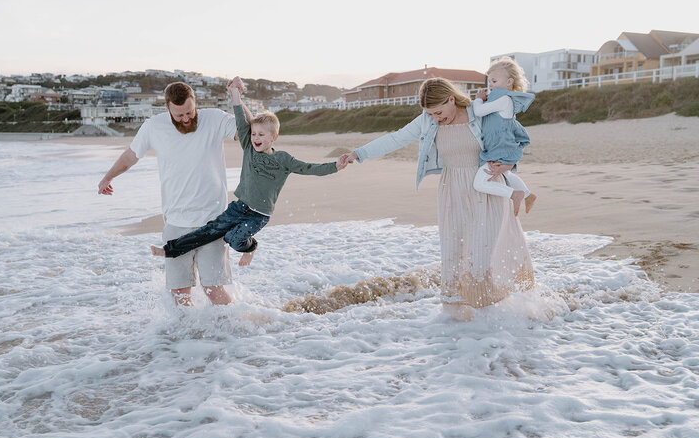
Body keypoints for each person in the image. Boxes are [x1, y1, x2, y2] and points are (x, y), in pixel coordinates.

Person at [342, 77, 534, 322]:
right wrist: (357, 154)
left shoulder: (480, 112)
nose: (435, 118)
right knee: (454, 252)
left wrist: (508, 164)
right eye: (430, 114)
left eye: (438, 112)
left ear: (451, 99)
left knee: (482, 254)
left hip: (486, 190)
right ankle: (459, 324)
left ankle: (493, 323)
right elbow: (396, 138)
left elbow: (511, 137)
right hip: (452, 192)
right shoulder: (427, 122)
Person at [152, 76, 347, 266]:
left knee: (232, 238)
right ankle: (170, 249)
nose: (256, 138)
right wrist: (235, 95)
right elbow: (239, 118)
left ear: (274, 137)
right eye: (254, 134)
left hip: (258, 215)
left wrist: (335, 166)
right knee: (209, 231)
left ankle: (250, 247)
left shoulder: (283, 160)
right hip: (239, 207)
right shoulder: (249, 147)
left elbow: (309, 168)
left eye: (261, 134)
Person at [98, 81, 246, 307]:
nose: (186, 119)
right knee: (179, 292)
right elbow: (131, 155)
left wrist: (237, 97)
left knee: (213, 289)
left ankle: (237, 330)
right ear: (167, 108)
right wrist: (108, 177)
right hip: (176, 222)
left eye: (189, 112)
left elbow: (249, 133)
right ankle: (189, 340)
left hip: (213, 221)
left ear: (195, 102)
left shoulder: (214, 119)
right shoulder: (153, 126)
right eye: (179, 115)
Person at [471, 56, 537, 215]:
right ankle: (528, 195)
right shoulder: (498, 99)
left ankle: (514, 194)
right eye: (489, 82)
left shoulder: (505, 100)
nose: (491, 85)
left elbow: (478, 111)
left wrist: (478, 100)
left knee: (479, 184)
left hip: (499, 148)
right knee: (506, 174)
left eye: (494, 81)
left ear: (509, 82)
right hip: (502, 146)